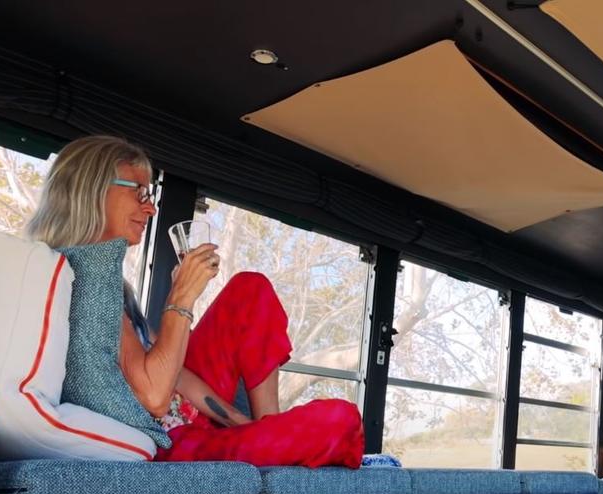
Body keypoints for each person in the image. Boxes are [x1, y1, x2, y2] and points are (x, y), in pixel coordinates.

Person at [25, 135, 364, 467]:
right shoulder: (77, 278)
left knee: (250, 288)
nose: (150, 207)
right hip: (173, 441)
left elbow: (176, 374)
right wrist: (181, 297)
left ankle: (269, 430)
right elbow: (154, 398)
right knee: (341, 419)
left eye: (150, 194)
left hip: (192, 415)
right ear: (92, 190)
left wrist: (242, 423)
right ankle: (276, 448)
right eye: (139, 192)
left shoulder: (114, 286)